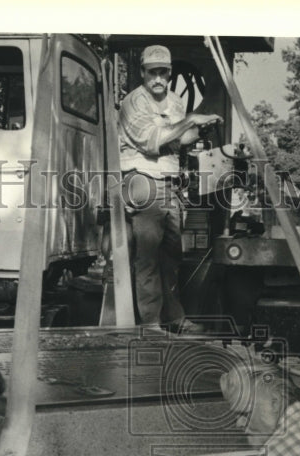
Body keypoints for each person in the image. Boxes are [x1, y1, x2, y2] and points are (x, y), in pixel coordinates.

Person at [118, 44, 222, 333]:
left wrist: (201, 129)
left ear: (169, 72)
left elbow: (179, 139)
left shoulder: (176, 102)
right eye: (152, 72)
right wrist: (191, 120)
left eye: (163, 72)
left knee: (172, 255)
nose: (158, 78)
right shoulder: (133, 103)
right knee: (148, 257)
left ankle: (175, 318)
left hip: (169, 183)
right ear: (142, 73)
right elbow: (153, 140)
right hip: (143, 180)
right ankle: (151, 324)